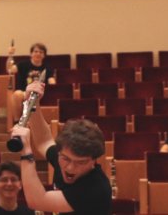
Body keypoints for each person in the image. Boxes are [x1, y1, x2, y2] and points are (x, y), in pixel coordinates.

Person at [10, 81, 112, 214]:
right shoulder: (62, 157)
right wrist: (32, 103)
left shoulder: (96, 188)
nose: (70, 167)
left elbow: (37, 201)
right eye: (66, 159)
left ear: (94, 161)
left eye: (81, 162)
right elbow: (44, 141)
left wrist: (26, 152)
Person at [6, 42, 56, 126]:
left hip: (40, 94)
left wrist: (53, 82)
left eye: (41, 52)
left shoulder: (47, 68)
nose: (38, 54)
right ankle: (18, 122)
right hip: (25, 93)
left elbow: (51, 81)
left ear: (44, 55)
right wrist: (10, 55)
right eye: (36, 51)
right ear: (31, 54)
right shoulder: (23, 64)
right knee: (17, 94)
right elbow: (10, 69)